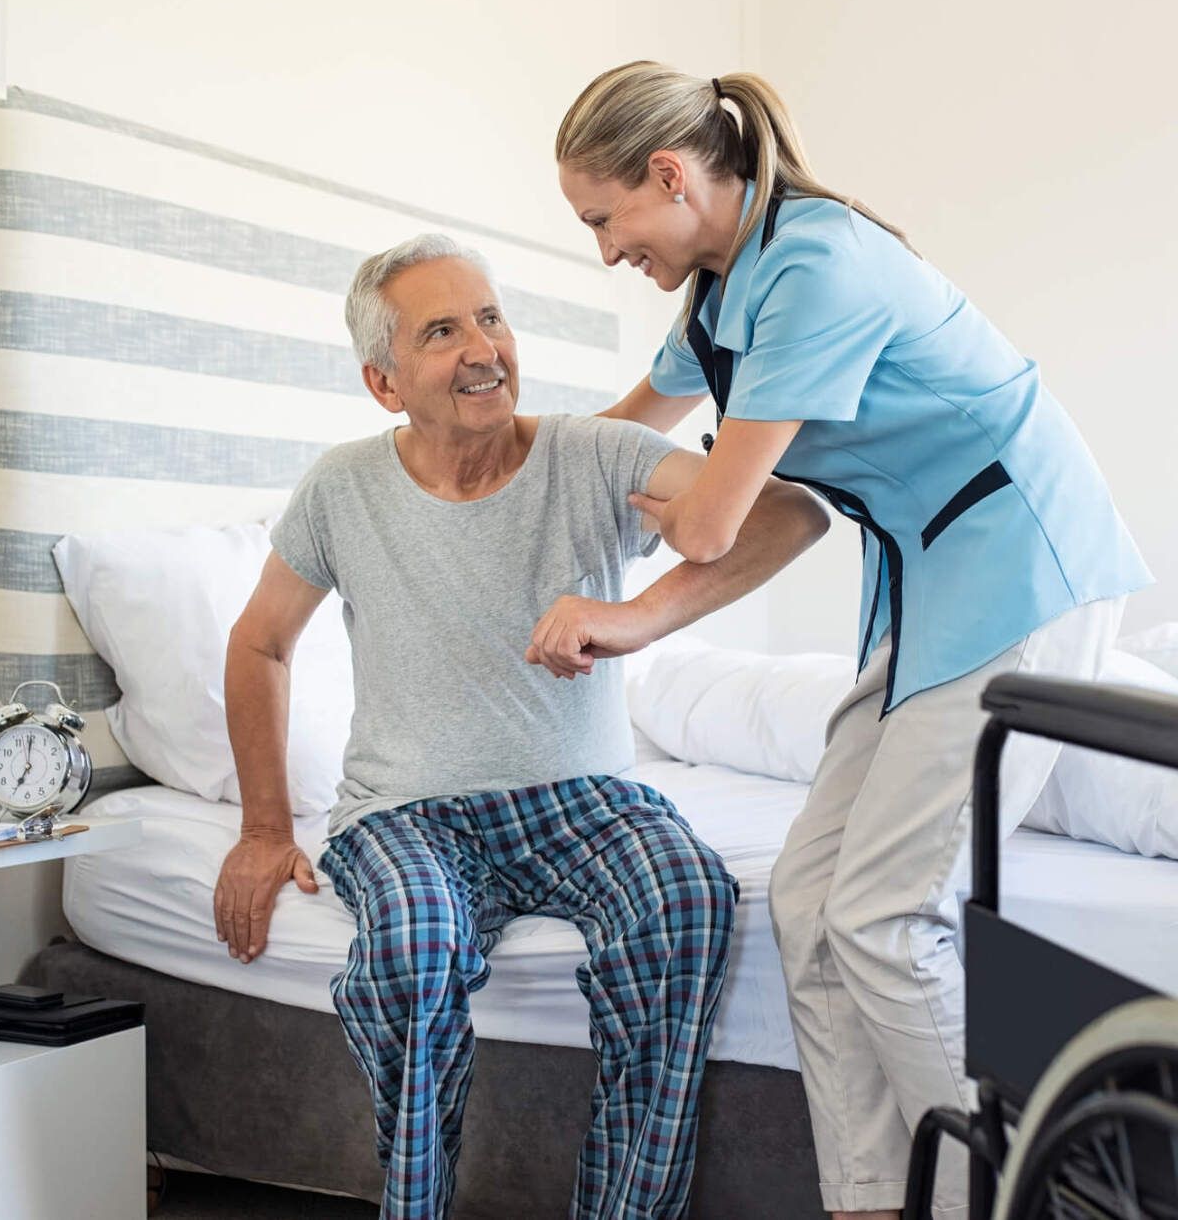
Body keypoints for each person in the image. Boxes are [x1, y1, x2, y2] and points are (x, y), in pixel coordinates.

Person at [555, 62, 1152, 1219]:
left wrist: (624, 609)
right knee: (806, 904)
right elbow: (624, 437)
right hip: (932, 592)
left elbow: (725, 518)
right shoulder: (723, 296)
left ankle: (1033, 1198)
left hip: (1025, 572)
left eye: (603, 218)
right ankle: (875, 1202)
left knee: (883, 914)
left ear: (669, 176)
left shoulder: (816, 267)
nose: (604, 250)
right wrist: (503, 475)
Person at [210, 233, 830, 1220]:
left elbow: (786, 517)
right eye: (444, 330)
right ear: (384, 381)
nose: (484, 348)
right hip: (407, 814)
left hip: (581, 800)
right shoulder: (342, 487)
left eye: (491, 317)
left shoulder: (596, 455)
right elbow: (259, 645)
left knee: (685, 896)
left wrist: (635, 618)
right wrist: (263, 830)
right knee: (414, 947)